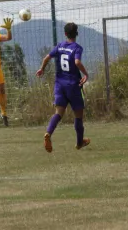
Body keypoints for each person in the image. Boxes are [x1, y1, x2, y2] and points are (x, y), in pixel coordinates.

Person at [36, 23, 90, 153]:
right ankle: (79, 142)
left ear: (65, 34)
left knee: (58, 113)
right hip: (73, 85)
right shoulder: (77, 48)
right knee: (78, 115)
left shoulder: (60, 46)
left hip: (59, 85)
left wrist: (42, 69)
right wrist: (86, 74)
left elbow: (47, 57)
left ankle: (48, 133)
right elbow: (77, 62)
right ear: (76, 33)